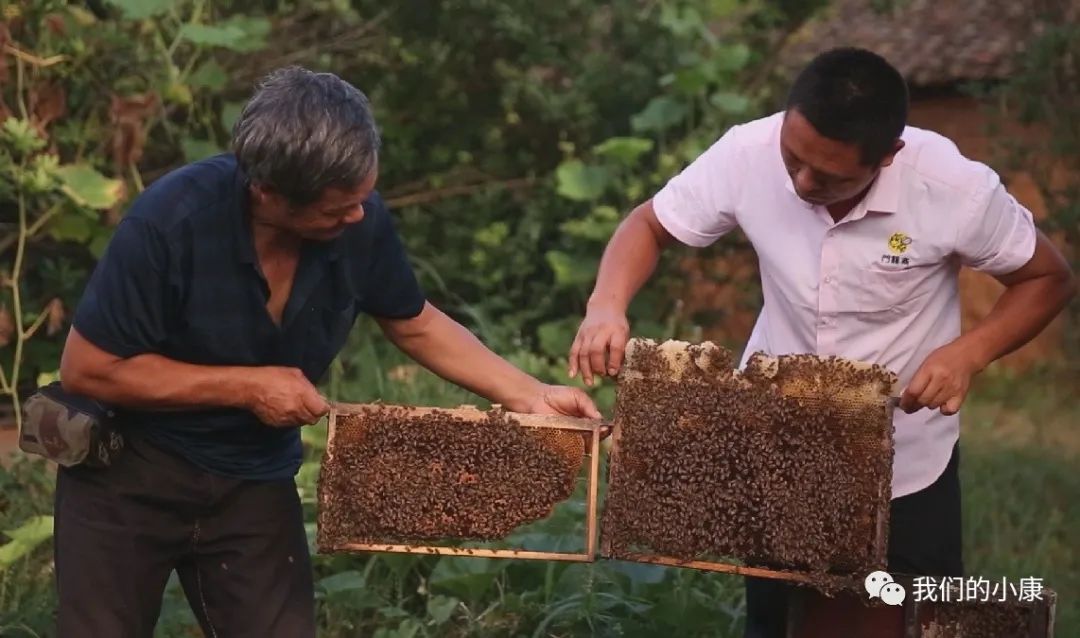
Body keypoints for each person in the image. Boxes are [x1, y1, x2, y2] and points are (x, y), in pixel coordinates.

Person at [55, 66, 601, 638]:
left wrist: (531, 396)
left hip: (252, 478)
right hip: (129, 473)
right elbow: (90, 369)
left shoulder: (359, 222)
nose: (357, 216)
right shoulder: (170, 223)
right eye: (336, 208)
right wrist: (248, 386)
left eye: (362, 198)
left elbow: (413, 322)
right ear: (267, 191)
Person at [567, 47, 1075, 636]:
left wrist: (969, 352)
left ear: (888, 156)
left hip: (908, 457)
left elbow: (1048, 278)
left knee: (917, 620)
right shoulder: (746, 153)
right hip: (776, 446)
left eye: (830, 175)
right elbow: (649, 224)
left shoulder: (954, 188)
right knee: (779, 621)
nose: (803, 182)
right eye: (793, 158)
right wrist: (606, 302)